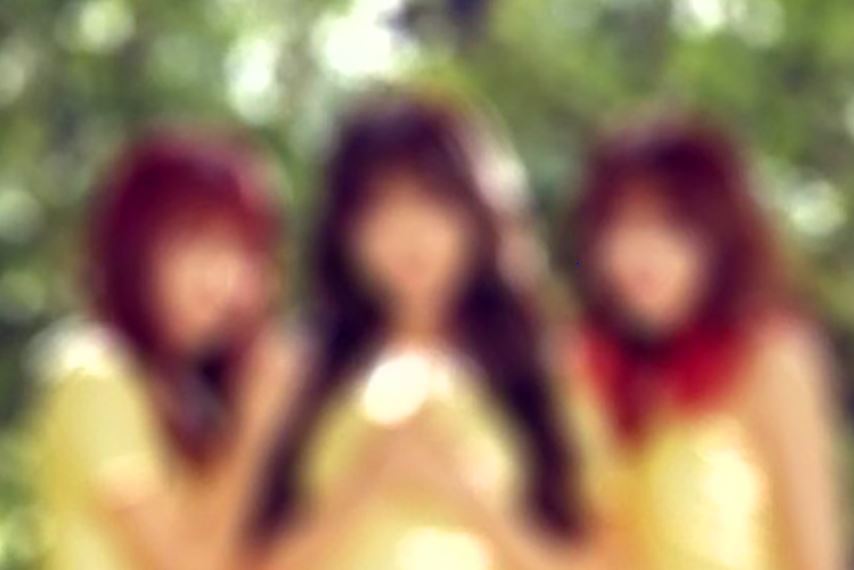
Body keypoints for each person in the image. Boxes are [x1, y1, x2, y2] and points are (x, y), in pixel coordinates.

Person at [255, 91, 602, 570]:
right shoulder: (298, 368)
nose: (408, 232)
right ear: (344, 230)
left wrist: (466, 494)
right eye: (379, 207)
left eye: (431, 202)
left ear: (478, 213)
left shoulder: (541, 365)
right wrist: (369, 479)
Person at [559, 113, 844, 570]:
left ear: (717, 236)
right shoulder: (590, 368)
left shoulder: (771, 358)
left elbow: (817, 558)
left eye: (670, 226)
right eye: (619, 226)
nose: (641, 253)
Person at [30, 129, 300, 570]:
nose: (222, 277)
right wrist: (257, 424)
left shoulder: (193, 397)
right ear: (138, 247)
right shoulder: (97, 377)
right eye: (197, 241)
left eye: (241, 251)